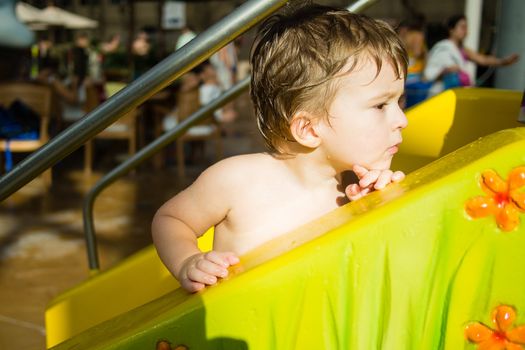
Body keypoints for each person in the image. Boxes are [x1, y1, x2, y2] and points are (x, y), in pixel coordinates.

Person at [152, 4, 408, 292]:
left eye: (400, 102)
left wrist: (379, 209)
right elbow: (171, 219)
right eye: (380, 105)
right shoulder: (237, 180)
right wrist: (188, 261)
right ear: (308, 129)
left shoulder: (355, 191)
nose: (402, 120)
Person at [424, 14, 519, 97]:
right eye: (462, 27)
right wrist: (446, 71)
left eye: (466, 28)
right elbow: (428, 75)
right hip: (440, 95)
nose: (465, 31)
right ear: (452, 30)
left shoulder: (463, 50)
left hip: (457, 94)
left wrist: (504, 61)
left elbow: (483, 60)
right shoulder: (443, 48)